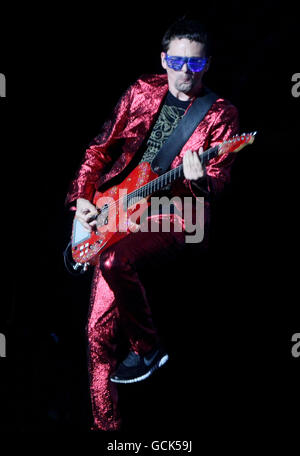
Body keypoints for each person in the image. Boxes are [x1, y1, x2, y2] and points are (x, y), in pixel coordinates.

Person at [65, 18, 239, 431]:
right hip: (120, 209)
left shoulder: (220, 115)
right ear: (164, 59)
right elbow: (99, 149)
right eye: (177, 61)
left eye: (195, 64)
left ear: (207, 65)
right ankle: (105, 429)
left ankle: (147, 346)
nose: (185, 71)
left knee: (112, 261)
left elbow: (220, 181)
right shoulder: (142, 92)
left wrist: (202, 181)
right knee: (95, 336)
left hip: (179, 216)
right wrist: (83, 201)